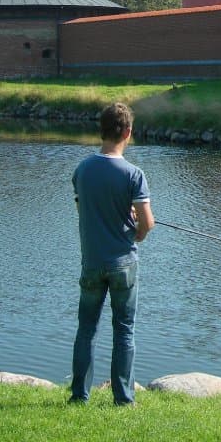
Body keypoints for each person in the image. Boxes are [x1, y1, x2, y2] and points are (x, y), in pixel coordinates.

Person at [70, 102, 154, 405]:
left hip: (91, 262)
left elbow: (84, 211)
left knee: (87, 329)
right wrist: (136, 232)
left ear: (101, 130)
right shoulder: (134, 174)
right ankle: (123, 399)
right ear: (128, 133)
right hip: (123, 264)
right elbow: (147, 223)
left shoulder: (82, 169)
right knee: (124, 331)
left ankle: (79, 396)